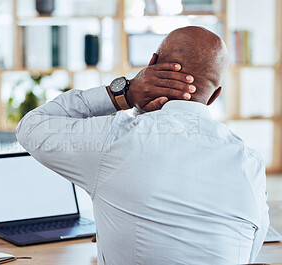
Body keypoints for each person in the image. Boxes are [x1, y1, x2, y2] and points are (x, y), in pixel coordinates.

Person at [15, 26, 269, 264]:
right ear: (214, 96)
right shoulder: (251, 162)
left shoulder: (114, 140)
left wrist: (123, 93)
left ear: (151, 65)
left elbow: (31, 126)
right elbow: (248, 252)